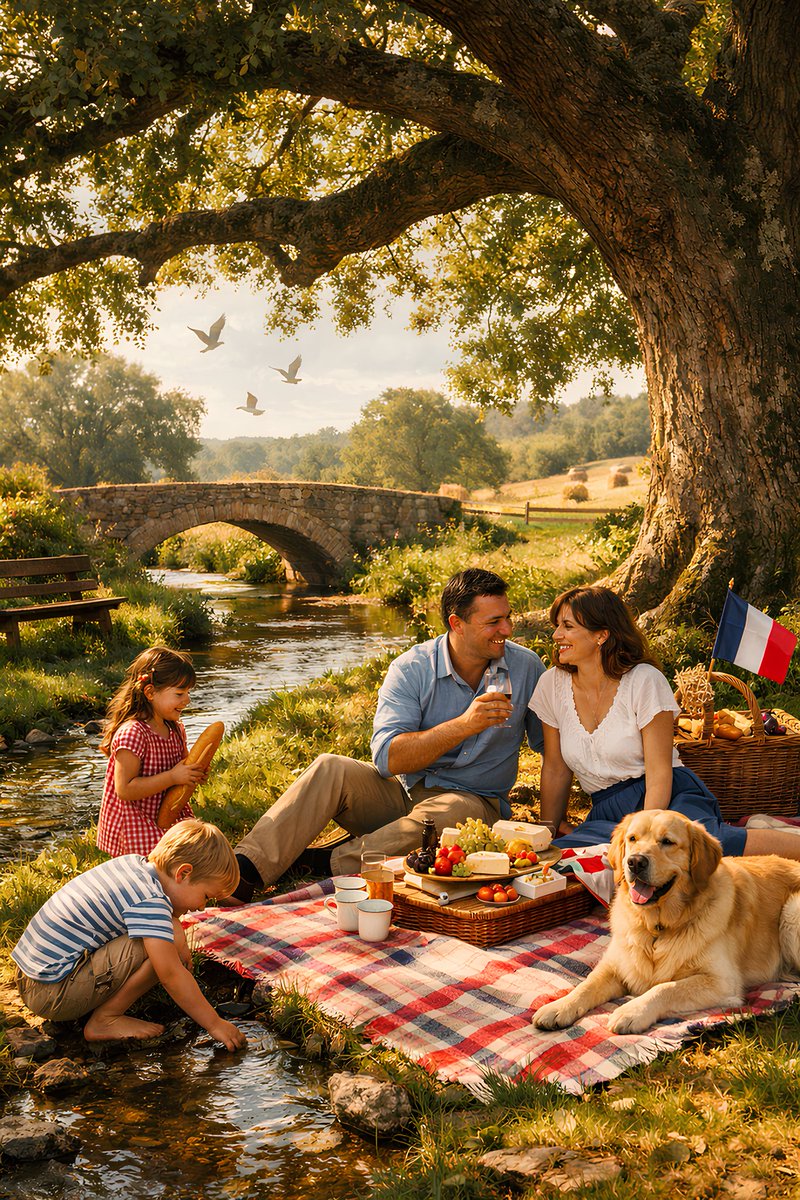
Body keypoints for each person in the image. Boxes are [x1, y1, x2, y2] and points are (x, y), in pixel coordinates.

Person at [229, 568, 546, 902]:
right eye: (493, 622)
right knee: (330, 767)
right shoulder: (412, 669)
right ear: (457, 624)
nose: (507, 630)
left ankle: (321, 863)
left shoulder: (526, 667)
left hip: (475, 803)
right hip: (405, 792)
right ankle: (244, 870)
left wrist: (553, 824)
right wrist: (464, 725)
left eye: (507, 618)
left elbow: (552, 750)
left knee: (451, 813)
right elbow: (387, 759)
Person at [530, 585, 800, 860]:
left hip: (666, 794)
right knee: (562, 859)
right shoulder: (551, 685)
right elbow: (555, 768)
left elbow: (659, 772)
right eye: (557, 625)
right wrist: (547, 831)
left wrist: (645, 838)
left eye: (567, 626)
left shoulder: (644, 680)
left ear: (602, 634)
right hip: (607, 808)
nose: (556, 635)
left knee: (708, 845)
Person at [12, 819, 247, 1050]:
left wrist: (175, 929)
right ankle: (106, 1019)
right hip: (51, 993)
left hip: (30, 975)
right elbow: (170, 974)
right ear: (183, 873)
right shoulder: (150, 901)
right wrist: (214, 1023)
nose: (201, 908)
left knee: (161, 936)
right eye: (206, 896)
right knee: (161, 951)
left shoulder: (133, 865)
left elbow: (163, 915)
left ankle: (103, 1010)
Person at [97, 646, 206, 858]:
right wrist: (173, 776)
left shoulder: (175, 728)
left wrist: (193, 773)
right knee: (152, 875)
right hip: (135, 824)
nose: (187, 700)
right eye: (179, 693)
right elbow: (125, 789)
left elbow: (182, 766)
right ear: (150, 693)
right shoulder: (133, 733)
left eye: (188, 692)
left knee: (197, 855)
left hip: (168, 814)